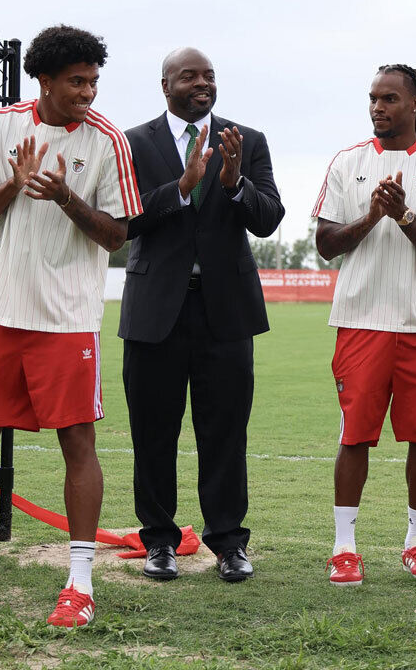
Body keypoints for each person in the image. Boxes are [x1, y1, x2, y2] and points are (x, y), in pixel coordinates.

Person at [0, 25, 140, 628]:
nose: (88, 92)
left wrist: (67, 197)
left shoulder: (108, 142)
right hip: (2, 311)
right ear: (43, 81)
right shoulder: (0, 125)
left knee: (78, 444)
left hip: (69, 320)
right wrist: (13, 187)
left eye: (94, 81)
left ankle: (78, 583)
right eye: (77, 82)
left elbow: (119, 235)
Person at [120, 47, 283, 583]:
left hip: (226, 312)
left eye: (209, 76)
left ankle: (229, 543)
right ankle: (160, 542)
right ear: (164, 84)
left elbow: (268, 221)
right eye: (188, 76)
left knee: (225, 432)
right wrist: (184, 187)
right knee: (153, 431)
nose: (201, 83)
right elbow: (124, 220)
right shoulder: (133, 142)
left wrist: (234, 182)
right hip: (154, 312)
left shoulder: (247, 140)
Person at [312, 64, 416, 586]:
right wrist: (373, 216)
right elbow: (326, 245)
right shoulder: (347, 162)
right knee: (354, 437)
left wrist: (404, 216)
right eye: (373, 98)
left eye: (390, 98)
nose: (379, 107)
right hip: (360, 320)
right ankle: (344, 546)